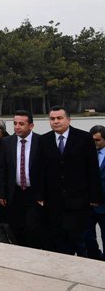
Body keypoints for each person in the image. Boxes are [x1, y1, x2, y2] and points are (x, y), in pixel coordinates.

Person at [37, 106, 101, 255]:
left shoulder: (84, 138)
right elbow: (39, 169)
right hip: (54, 201)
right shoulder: (44, 140)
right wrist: (39, 195)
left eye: (59, 118)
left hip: (79, 200)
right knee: (59, 241)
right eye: (52, 119)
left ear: (68, 119)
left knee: (79, 240)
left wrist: (95, 196)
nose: (56, 122)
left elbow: (92, 168)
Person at [0, 111, 42, 247]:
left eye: (21, 124)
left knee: (33, 228)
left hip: (34, 193)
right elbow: (1, 169)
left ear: (31, 126)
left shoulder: (41, 141)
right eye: (15, 123)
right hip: (14, 193)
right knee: (16, 228)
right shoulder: (6, 142)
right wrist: (0, 193)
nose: (17, 127)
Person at [85, 125, 105, 259]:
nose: (94, 143)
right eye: (91, 140)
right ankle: (95, 259)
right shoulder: (84, 154)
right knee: (87, 237)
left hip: (104, 205)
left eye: (97, 140)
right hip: (87, 206)